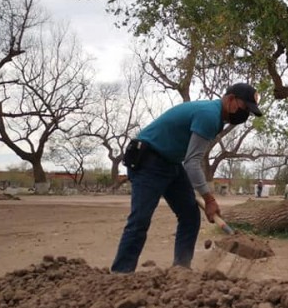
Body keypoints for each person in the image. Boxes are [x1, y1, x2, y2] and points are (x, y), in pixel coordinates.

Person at [111, 83, 263, 273]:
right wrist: (209, 199)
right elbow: (192, 162)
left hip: (171, 162)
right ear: (231, 99)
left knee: (190, 216)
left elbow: (189, 159)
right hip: (148, 160)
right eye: (245, 108)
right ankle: (121, 273)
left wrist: (207, 198)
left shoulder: (216, 117)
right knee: (140, 220)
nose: (245, 115)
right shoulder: (209, 115)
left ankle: (180, 270)